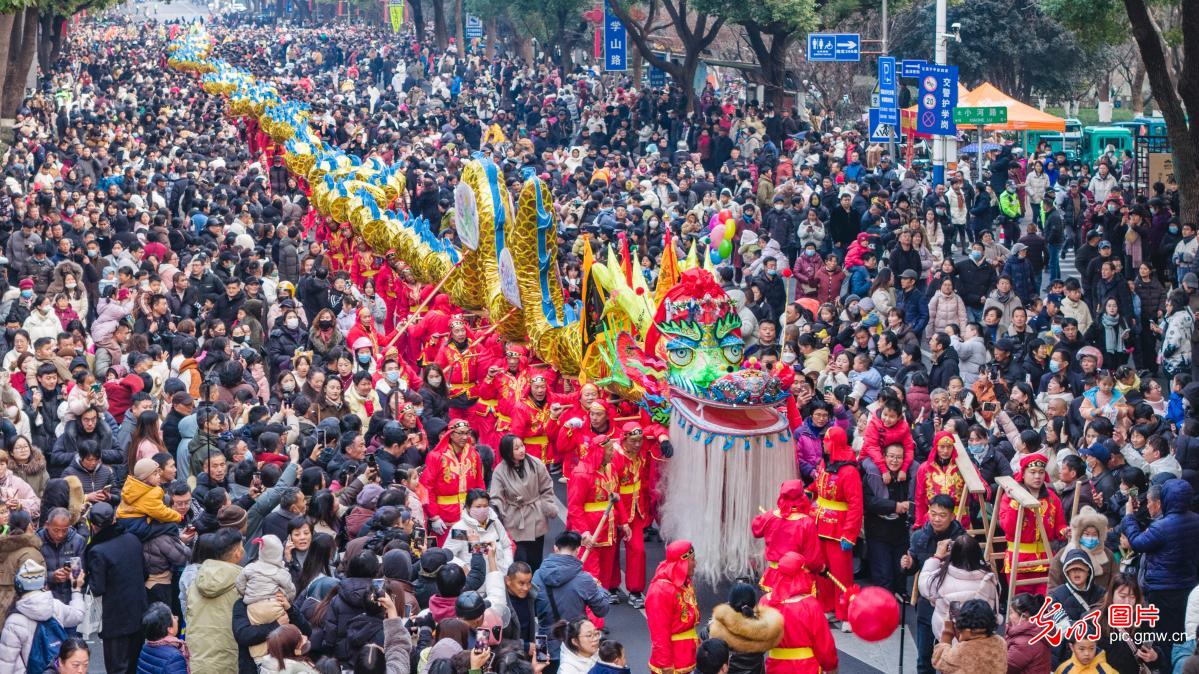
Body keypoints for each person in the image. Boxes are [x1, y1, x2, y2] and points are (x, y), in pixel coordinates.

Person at [1119, 479, 1199, 664]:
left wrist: (1129, 515)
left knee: (1165, 635)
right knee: (1183, 631)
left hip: (1162, 589)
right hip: (1188, 585)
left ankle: (1165, 664)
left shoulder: (1162, 527)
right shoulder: (1195, 520)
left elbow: (1137, 543)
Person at [83, 501, 146, 674]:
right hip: (138, 612)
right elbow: (145, 573)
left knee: (117, 667)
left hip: (115, 620)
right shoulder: (133, 539)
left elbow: (97, 588)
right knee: (134, 664)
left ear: (93, 526)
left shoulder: (98, 551)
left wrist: (81, 580)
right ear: (114, 519)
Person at [810, 426, 862, 625]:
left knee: (841, 573)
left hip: (839, 529)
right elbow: (819, 484)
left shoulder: (849, 471)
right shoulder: (825, 463)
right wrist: (809, 491)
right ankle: (827, 607)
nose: (823, 443)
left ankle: (845, 614)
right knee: (822, 570)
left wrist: (850, 534)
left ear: (834, 443)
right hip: (819, 523)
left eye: (827, 440)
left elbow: (856, 504)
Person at [533, 531, 611, 662]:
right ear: (578, 550)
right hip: (575, 643)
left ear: (555, 548)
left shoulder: (537, 575)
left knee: (541, 669)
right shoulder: (584, 579)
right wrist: (599, 588)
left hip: (543, 642)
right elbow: (602, 610)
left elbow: (534, 610)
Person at [999, 453, 1067, 596]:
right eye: (1033, 472)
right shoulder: (1010, 497)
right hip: (1018, 560)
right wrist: (1015, 504)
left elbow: (1059, 526)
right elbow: (1009, 529)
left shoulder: (1052, 498)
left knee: (1044, 605)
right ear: (1023, 474)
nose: (1037, 477)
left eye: (1041, 472)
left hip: (1046, 561)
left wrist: (1065, 531)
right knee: (1021, 607)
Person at [759, 551, 838, 674]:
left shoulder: (765, 601)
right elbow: (824, 644)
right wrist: (831, 666)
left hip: (775, 667)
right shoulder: (810, 605)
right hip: (806, 667)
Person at [0, 559, 85, 672]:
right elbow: (78, 615)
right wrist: (76, 589)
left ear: (19, 586)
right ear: (44, 585)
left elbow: (6, 664)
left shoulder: (14, 620)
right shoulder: (55, 606)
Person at [488, 434, 558, 572]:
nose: (521, 450)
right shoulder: (500, 471)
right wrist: (498, 516)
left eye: (522, 446)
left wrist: (547, 504)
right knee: (519, 559)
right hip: (514, 519)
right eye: (516, 448)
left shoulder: (536, 463)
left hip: (536, 516)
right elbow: (496, 498)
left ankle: (535, 586)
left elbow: (547, 487)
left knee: (536, 558)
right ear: (507, 452)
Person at [187, 528, 247, 674]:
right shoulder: (242, 583)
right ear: (237, 552)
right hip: (228, 658)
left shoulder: (197, 579)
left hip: (197, 657)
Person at [917, 534, 999, 639]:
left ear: (953, 554)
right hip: (978, 638)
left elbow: (924, 586)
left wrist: (937, 557)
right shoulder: (989, 579)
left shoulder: (941, 577)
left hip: (947, 636)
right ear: (978, 553)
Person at [750, 480, 824, 593]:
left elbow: (756, 530)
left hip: (774, 576)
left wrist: (768, 519)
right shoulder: (807, 522)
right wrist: (821, 568)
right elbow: (812, 559)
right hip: (797, 579)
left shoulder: (770, 516)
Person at [645, 540, 701, 674]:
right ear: (682, 563)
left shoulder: (683, 581)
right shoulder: (660, 590)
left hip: (687, 655)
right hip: (673, 664)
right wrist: (666, 665)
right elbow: (659, 633)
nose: (695, 563)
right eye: (692, 560)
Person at [707, 580, 782, 674]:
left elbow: (705, 638)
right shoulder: (763, 629)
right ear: (754, 603)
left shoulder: (719, 627)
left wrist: (720, 616)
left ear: (731, 603)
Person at [1047, 506, 1114, 594]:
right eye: (1086, 534)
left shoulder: (1108, 555)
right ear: (1079, 534)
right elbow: (1053, 586)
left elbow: (1114, 583)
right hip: (1069, 603)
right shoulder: (1064, 554)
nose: (1090, 538)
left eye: (1094, 534)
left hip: (1100, 604)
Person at [931, 598, 1007, 674]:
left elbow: (939, 660)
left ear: (967, 628)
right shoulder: (1000, 642)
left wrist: (947, 632)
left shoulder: (962, 651)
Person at [1005, 592, 1053, 674]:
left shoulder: (1024, 644)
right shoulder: (1038, 629)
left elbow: (1003, 668)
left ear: (1024, 616)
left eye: (1011, 612)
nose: (1009, 616)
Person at [135, 602, 189, 674]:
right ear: (170, 629)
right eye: (173, 617)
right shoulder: (174, 657)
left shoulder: (146, 647)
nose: (177, 618)